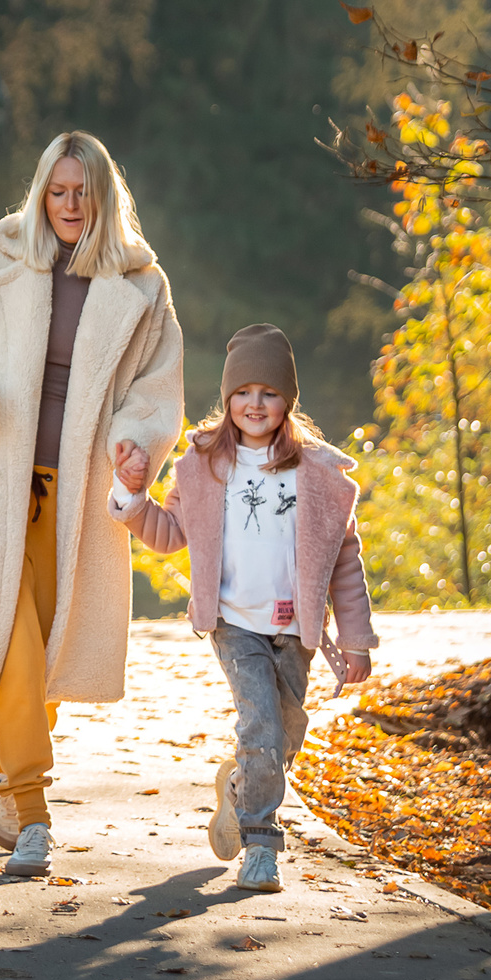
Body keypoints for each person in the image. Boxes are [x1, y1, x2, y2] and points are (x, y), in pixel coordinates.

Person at [0, 132, 183, 877]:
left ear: (103, 196)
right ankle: (30, 807)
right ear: (41, 195)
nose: (69, 204)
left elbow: (155, 390)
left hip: (84, 492)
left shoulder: (143, 286)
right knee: (14, 637)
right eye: (57, 191)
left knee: (55, 646)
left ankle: (2, 760)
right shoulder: (2, 259)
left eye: (81, 191)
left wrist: (135, 443)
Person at [110, 323, 375, 892]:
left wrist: (355, 638)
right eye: (243, 392)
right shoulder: (206, 465)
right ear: (227, 398)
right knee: (260, 729)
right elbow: (169, 532)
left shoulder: (318, 475)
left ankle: (239, 790)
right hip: (235, 624)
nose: (255, 404)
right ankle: (262, 842)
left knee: (285, 735)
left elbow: (344, 562)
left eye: (270, 392)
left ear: (289, 401)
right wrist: (134, 499)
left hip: (296, 630)